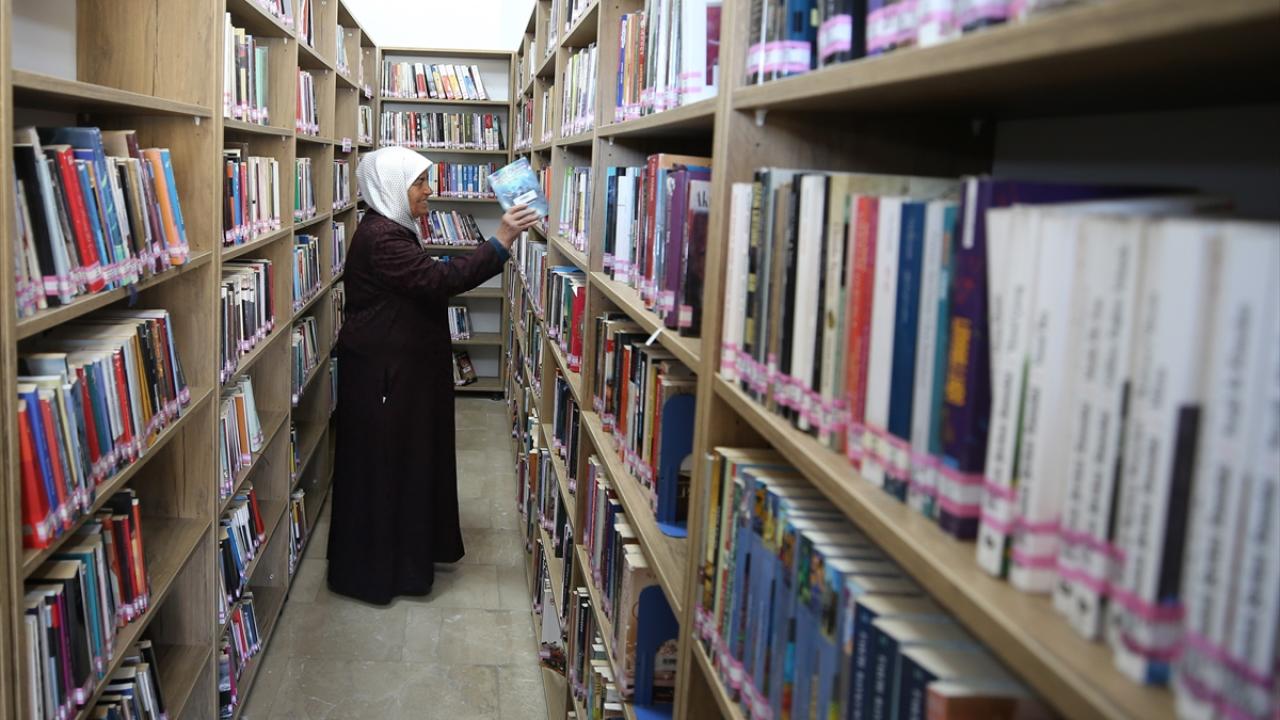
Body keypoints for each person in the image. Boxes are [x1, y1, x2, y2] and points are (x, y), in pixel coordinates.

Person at [326, 147, 539, 605]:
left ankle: (406, 557)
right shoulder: (384, 238)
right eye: (419, 183)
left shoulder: (391, 228)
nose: (429, 191)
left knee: (403, 463)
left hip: (395, 372)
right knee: (389, 467)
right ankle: (384, 571)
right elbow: (439, 281)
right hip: (385, 377)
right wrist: (501, 239)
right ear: (392, 187)